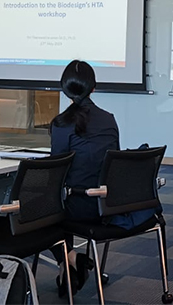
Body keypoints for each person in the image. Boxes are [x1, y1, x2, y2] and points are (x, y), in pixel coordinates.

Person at [49, 60, 122, 297]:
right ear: (93, 87)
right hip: (108, 206)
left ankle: (70, 258)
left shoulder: (62, 123)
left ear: (64, 89)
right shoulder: (109, 119)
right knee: (59, 201)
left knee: (35, 210)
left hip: (79, 207)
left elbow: (55, 172)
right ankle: (66, 270)